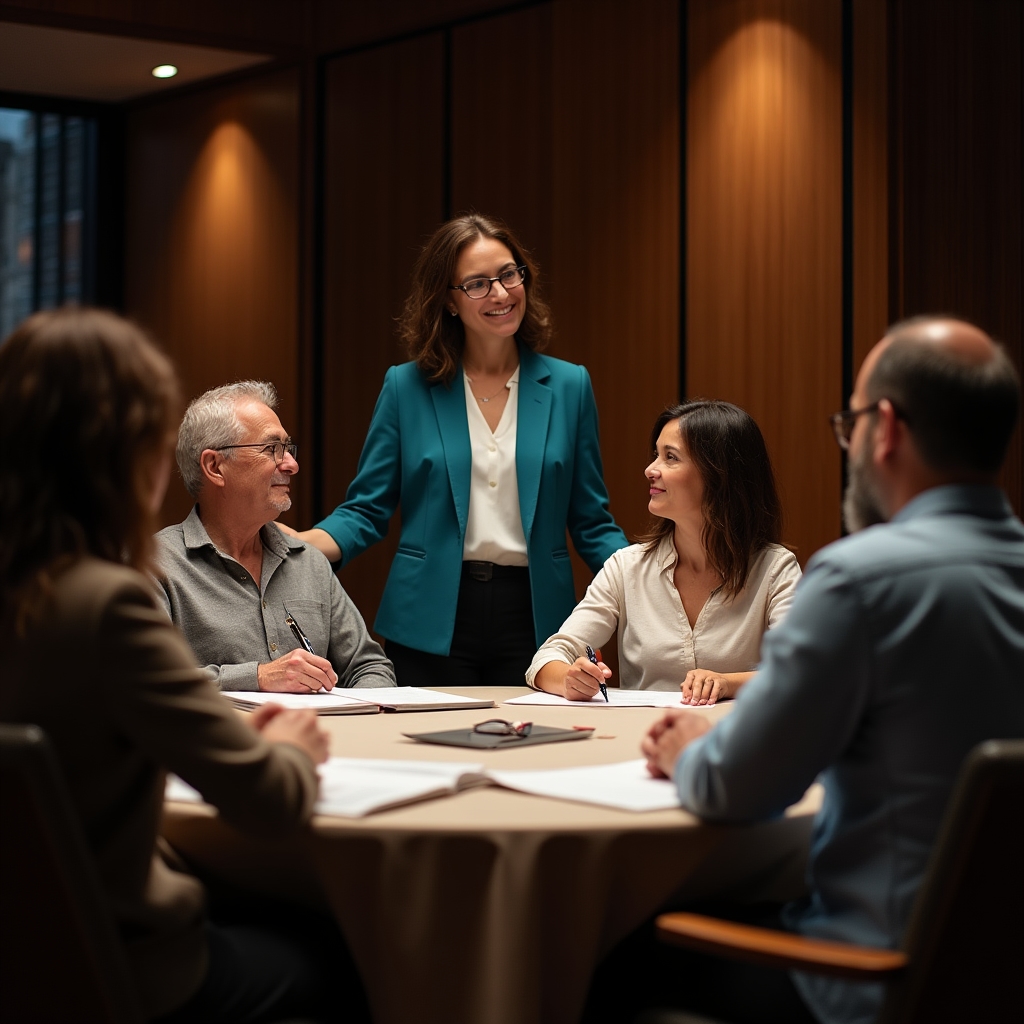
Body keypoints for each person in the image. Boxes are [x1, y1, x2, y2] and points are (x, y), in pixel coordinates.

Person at [612, 317, 1024, 1024]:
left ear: (885, 428)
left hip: (871, 980)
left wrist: (687, 754)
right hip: (1000, 977)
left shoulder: (863, 580)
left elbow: (734, 786)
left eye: (851, 423)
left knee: (610, 958)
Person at [0, 308, 368, 1023]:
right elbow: (267, 800)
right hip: (118, 962)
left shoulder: (29, 589)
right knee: (359, 951)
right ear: (119, 453)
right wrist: (289, 748)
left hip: (26, 947)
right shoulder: (107, 602)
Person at [285, 213, 628, 686]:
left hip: (536, 618)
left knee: (535, 750)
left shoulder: (570, 385)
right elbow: (366, 510)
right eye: (478, 284)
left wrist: (648, 576)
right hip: (429, 615)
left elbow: (590, 519)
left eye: (509, 274)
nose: (502, 293)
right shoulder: (406, 386)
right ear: (448, 300)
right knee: (424, 749)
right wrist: (299, 547)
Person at [527, 400, 802, 703]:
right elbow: (548, 657)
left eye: (670, 457)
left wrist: (726, 683)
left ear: (719, 474)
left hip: (735, 744)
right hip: (640, 741)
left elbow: (803, 669)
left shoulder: (776, 569)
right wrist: (569, 679)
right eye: (655, 455)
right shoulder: (626, 566)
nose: (650, 470)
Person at [155, 381, 396, 693]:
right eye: (272, 449)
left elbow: (370, 666)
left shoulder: (308, 562)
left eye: (288, 448)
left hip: (319, 739)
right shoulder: (155, 564)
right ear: (215, 466)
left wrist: (359, 714)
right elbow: (141, 679)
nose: (292, 464)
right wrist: (257, 678)